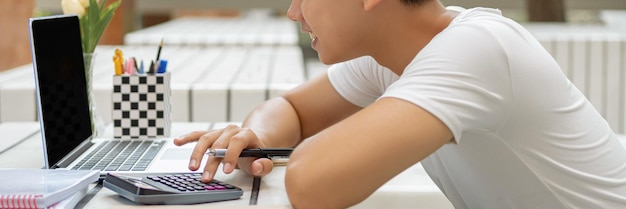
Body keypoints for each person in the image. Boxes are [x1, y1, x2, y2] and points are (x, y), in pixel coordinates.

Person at [174, 0, 626, 208]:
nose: (294, 12)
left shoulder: (476, 49)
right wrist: (256, 139)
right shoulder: (391, 56)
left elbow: (314, 185)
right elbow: (291, 108)